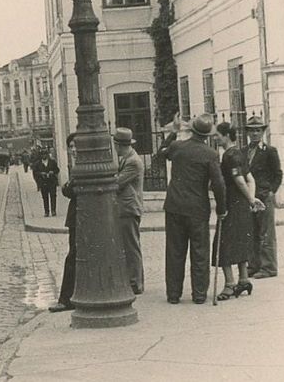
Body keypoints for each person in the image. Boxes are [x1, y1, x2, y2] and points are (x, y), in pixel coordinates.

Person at [158, 113, 227, 304]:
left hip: (174, 206)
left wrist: (173, 133)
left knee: (174, 252)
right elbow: (219, 184)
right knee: (200, 252)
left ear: (192, 130)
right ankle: (199, 294)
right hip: (197, 209)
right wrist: (222, 208)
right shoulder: (210, 154)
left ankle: (173, 294)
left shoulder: (177, 147)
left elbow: (161, 151)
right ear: (207, 135)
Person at [213, 122, 266, 300]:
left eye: (217, 135)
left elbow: (239, 180)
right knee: (242, 240)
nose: (215, 138)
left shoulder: (229, 156)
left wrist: (251, 199)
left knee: (224, 243)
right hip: (242, 204)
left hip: (231, 204)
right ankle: (244, 280)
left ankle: (229, 285)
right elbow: (250, 179)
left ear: (227, 135)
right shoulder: (240, 153)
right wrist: (251, 200)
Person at [242, 116, 283, 279]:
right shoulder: (243, 151)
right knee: (251, 231)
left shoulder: (270, 151)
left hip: (264, 196)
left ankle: (269, 267)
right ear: (247, 132)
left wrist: (271, 191)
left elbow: (278, 174)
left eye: (258, 130)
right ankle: (253, 265)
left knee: (266, 233)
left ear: (263, 132)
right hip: (249, 198)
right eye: (252, 130)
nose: (255, 133)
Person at [113, 128, 145, 295]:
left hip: (129, 208)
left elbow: (118, 183)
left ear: (119, 145)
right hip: (127, 207)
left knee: (131, 246)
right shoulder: (127, 159)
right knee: (130, 245)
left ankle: (135, 283)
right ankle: (135, 280)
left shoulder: (133, 161)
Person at [49, 134, 78, 312]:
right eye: (71, 146)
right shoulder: (76, 166)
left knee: (73, 259)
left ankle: (66, 299)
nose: (73, 150)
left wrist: (67, 188)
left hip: (80, 218)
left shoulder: (82, 166)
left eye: (75, 146)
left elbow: (69, 189)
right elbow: (67, 188)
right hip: (76, 218)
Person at [32, 148, 60, 217]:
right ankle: (46, 211)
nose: (44, 156)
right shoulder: (37, 164)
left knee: (53, 196)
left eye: (45, 154)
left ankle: (53, 210)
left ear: (47, 155)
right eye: (42, 154)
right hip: (43, 182)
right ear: (41, 155)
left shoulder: (52, 162)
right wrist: (41, 174)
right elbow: (35, 173)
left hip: (51, 181)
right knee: (45, 197)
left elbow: (57, 170)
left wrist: (52, 172)